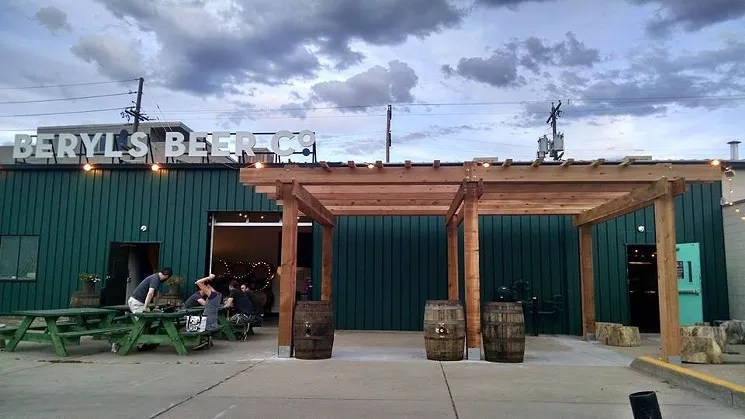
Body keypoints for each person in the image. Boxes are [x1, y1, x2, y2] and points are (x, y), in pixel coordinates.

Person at [192, 273, 221, 350]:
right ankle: (206, 339)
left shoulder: (212, 295)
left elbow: (198, 282)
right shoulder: (217, 295)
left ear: (208, 286)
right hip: (213, 320)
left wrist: (209, 277)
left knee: (190, 325)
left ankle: (202, 341)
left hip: (207, 320)